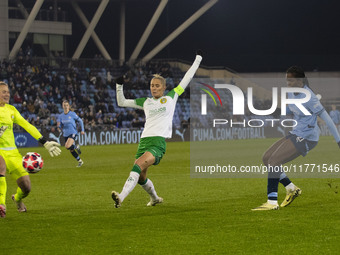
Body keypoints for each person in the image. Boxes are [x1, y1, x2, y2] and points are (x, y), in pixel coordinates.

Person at [111, 51, 202, 208]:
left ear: (164, 87)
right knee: (141, 177)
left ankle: (121, 197)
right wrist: (119, 86)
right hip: (144, 142)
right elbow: (122, 102)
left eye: (157, 85)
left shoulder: (171, 97)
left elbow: (186, 79)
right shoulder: (145, 102)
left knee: (137, 166)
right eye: (152, 85)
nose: (154, 88)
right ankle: (155, 198)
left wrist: (197, 60)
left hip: (157, 143)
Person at [252, 66, 340, 211]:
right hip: (296, 133)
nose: (288, 84)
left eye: (290, 81)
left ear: (300, 81)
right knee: (266, 158)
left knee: (274, 161)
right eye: (287, 81)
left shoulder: (310, 97)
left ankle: (272, 202)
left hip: (307, 137)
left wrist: (338, 141)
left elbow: (328, 120)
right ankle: (291, 188)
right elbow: (289, 110)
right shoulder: (291, 93)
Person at [0, 81, 61, 218]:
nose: (7, 94)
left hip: (13, 153)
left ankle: (17, 198)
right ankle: (1, 205)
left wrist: (44, 142)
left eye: (8, 92)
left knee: (26, 187)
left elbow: (27, 125)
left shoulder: (11, 110)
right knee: (0, 167)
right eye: (4, 91)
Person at [57, 100, 85, 167]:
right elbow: (59, 125)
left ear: (69, 106)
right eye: (64, 105)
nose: (66, 107)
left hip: (73, 132)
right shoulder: (60, 116)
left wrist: (82, 130)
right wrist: (58, 128)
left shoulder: (72, 114)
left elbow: (80, 120)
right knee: (71, 150)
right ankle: (80, 161)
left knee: (67, 146)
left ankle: (76, 146)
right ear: (62, 106)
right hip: (65, 134)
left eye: (67, 105)